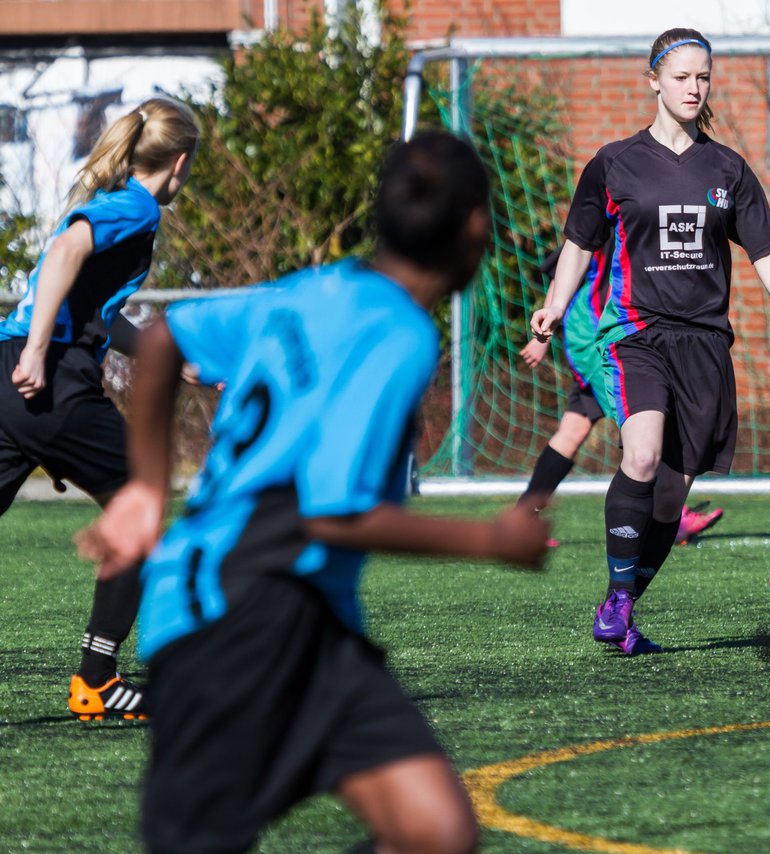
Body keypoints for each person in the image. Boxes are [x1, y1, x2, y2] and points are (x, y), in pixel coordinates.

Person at [76, 131, 549, 854]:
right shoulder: (401, 336)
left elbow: (168, 340)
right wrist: (492, 539)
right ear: (475, 228)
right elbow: (333, 514)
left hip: (304, 624)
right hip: (230, 627)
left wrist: (146, 490)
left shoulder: (312, 290)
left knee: (434, 831)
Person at [530, 28, 770, 655]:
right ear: (653, 80)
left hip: (704, 344)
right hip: (637, 333)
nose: (694, 88)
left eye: (703, 77)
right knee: (641, 455)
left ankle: (623, 605)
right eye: (681, 77)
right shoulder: (614, 162)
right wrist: (556, 304)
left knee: (671, 493)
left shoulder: (728, 169)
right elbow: (579, 242)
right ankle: (617, 601)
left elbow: (767, 254)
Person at [0, 97, 199, 719]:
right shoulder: (136, 206)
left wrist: (174, 359)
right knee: (139, 500)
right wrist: (38, 353)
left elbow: (98, 315)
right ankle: (98, 680)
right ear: (180, 163)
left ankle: (99, 678)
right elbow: (65, 254)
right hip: (47, 381)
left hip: (8, 376)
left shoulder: (120, 201)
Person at [519, 241, 723, 546]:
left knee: (573, 430)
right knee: (645, 422)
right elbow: (561, 274)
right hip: (596, 341)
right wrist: (543, 335)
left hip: (614, 338)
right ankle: (670, 514)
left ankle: (521, 520)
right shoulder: (606, 213)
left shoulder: (638, 214)